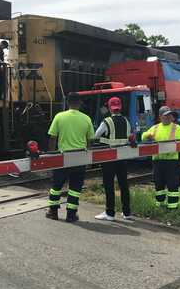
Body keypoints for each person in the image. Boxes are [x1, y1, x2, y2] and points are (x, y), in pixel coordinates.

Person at [46, 92, 95, 222]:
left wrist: (52, 156)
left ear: (68, 102)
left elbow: (52, 137)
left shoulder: (59, 117)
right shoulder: (86, 119)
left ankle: (53, 212)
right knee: (75, 188)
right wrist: (88, 158)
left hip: (63, 157)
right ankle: (71, 215)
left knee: (56, 186)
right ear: (80, 103)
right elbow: (90, 140)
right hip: (79, 157)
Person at [94, 96, 132, 221]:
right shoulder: (126, 121)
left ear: (110, 108)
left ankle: (110, 213)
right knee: (123, 184)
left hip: (109, 157)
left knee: (109, 184)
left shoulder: (107, 121)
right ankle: (127, 213)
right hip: (123, 157)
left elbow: (96, 135)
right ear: (120, 107)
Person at [142, 106, 180, 210]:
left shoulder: (176, 127)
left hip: (172, 161)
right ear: (160, 117)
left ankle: (173, 207)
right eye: (166, 115)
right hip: (158, 161)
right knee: (159, 185)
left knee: (173, 185)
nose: (169, 117)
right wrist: (148, 136)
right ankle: (159, 206)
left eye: (170, 115)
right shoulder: (155, 128)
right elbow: (143, 136)